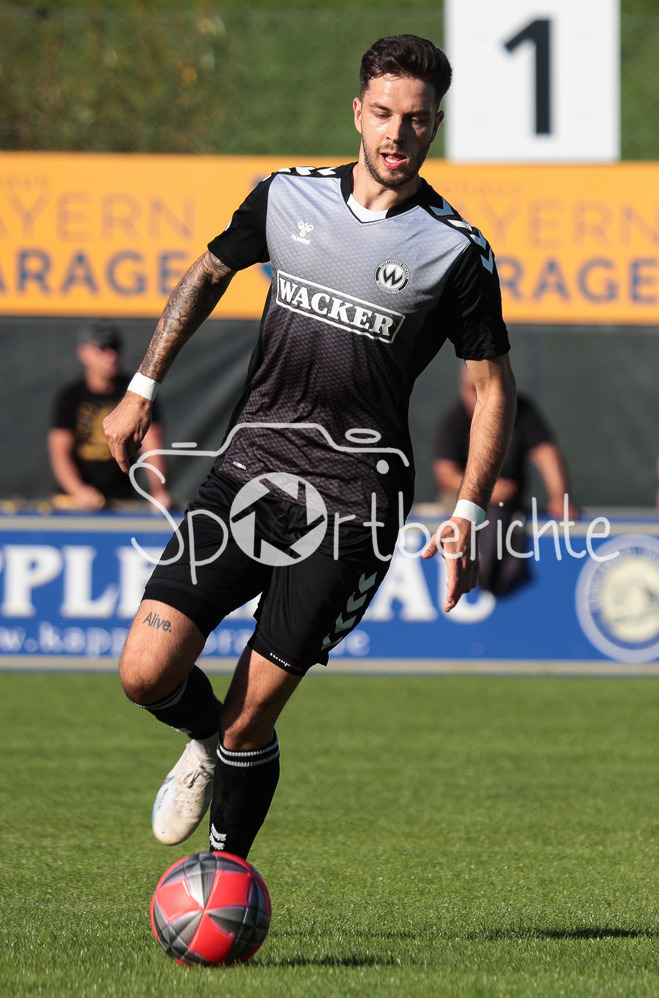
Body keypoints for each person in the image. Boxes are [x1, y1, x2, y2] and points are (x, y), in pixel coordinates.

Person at [102, 35, 517, 859]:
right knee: (144, 673)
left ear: (435, 126)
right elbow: (208, 272)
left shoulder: (456, 250)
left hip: (355, 505)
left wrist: (467, 515)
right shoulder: (287, 198)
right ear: (358, 113)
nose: (399, 135)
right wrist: (141, 389)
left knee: (253, 711)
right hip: (249, 476)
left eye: (419, 120)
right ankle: (203, 744)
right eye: (386, 115)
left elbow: (493, 390)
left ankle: (222, 873)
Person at [433, 366, 576, 596]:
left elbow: (546, 454)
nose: (479, 396)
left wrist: (561, 497)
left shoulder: (521, 411)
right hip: (462, 507)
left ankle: (493, 576)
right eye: (473, 389)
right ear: (462, 390)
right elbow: (446, 474)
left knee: (500, 518)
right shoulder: (454, 419)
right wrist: (483, 491)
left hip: (504, 510)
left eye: (485, 388)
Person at [49, 321, 173, 511]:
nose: (111, 355)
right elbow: (60, 453)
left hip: (121, 503)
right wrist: (79, 491)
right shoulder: (71, 396)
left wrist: (158, 491)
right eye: (102, 348)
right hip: (75, 505)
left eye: (115, 347)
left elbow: (152, 447)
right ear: (84, 353)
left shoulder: (136, 394)